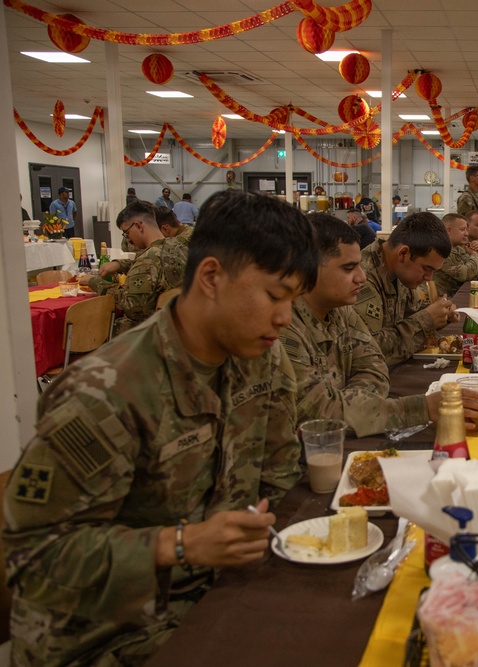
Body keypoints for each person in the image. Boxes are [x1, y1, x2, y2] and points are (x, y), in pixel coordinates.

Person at [4, 189, 318, 665]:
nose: (284, 318)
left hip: (219, 594)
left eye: (293, 300)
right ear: (211, 276)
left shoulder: (262, 358)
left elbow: (277, 475)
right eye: (275, 296)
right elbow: (30, 560)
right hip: (108, 634)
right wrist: (181, 544)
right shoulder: (105, 393)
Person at [280, 214, 478, 437]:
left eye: (358, 266)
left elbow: (374, 365)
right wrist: (420, 408)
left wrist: (353, 407)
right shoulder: (282, 327)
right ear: (308, 268)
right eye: (349, 268)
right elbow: (318, 416)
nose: (361, 277)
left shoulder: (341, 310)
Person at [353, 211, 458, 367]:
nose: (429, 277)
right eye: (426, 268)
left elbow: (412, 310)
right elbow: (368, 351)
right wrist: (426, 320)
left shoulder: (400, 272)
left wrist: (440, 314)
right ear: (403, 254)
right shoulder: (361, 279)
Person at [87, 200, 188, 333]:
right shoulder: (180, 247)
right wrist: (119, 264)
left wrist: (93, 282)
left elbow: (131, 306)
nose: (128, 239)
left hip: (150, 334)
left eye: (126, 233)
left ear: (139, 226)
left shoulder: (146, 262)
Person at [434, 213, 478, 296]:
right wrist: (474, 254)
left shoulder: (457, 247)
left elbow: (474, 270)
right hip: (446, 298)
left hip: (456, 294)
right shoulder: (443, 250)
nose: (466, 233)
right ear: (448, 230)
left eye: (467, 230)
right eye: (462, 229)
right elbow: (466, 274)